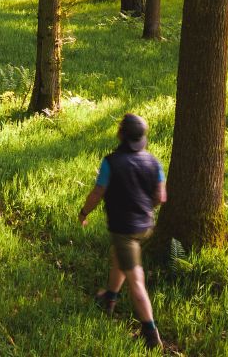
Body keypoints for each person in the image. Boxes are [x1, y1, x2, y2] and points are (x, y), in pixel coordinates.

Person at [78, 113, 167, 350]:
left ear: (121, 135)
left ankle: (151, 335)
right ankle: (109, 298)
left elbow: (97, 193)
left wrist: (84, 212)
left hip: (125, 228)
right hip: (146, 226)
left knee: (136, 280)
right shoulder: (154, 162)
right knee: (120, 256)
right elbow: (160, 196)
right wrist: (144, 209)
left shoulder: (111, 162)